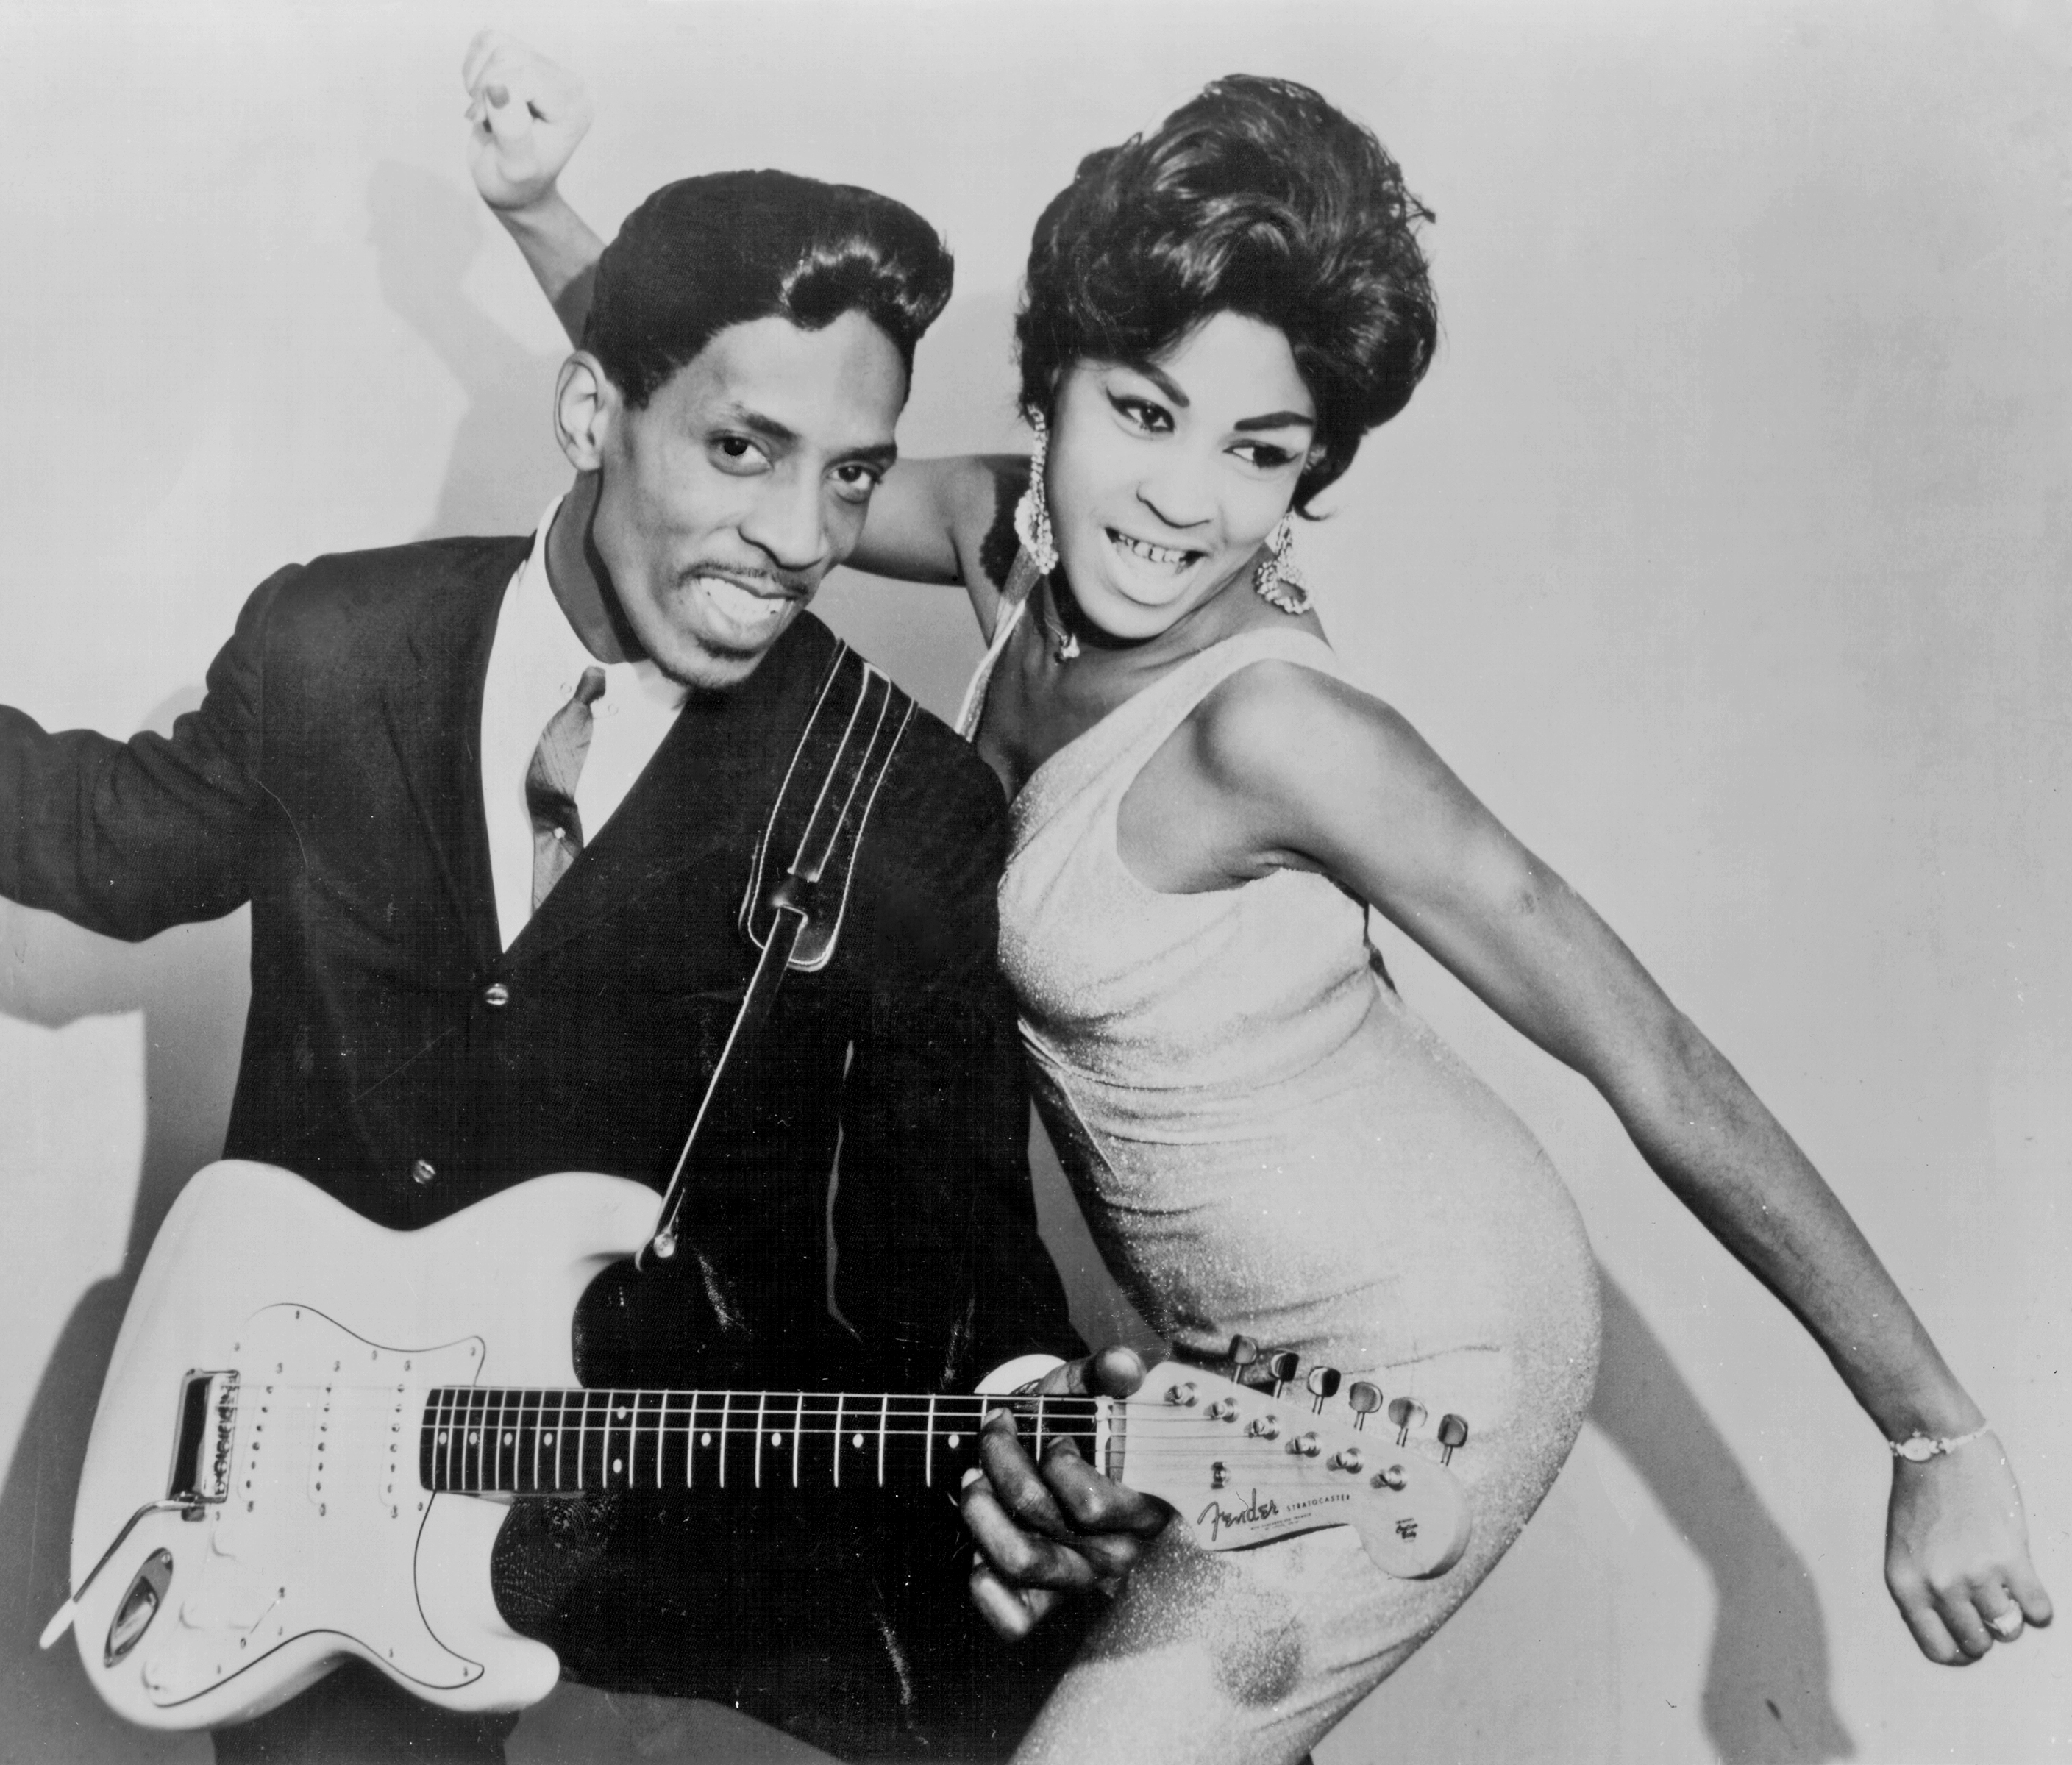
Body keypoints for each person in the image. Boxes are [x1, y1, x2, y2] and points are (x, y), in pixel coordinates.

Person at [469, 36, 2053, 1764]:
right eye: (1141, 414)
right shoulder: (1015, 557)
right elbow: (725, 439)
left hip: (1429, 1354)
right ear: (1052, 384)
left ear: (1311, 474)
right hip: (1198, 1376)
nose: (1179, 499)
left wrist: (1933, 1439)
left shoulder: (1275, 730)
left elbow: (1650, 1053)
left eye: (1260, 453)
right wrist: (541, 211)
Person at [0, 166, 1164, 1761]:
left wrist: (1032, 1408)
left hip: (682, 1609)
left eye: (851, 477)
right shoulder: (333, 641)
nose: (795, 538)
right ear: (591, 406)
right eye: (742, 451)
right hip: (306, 1551)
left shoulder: (897, 802)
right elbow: (90, 832)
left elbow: (944, 1218)